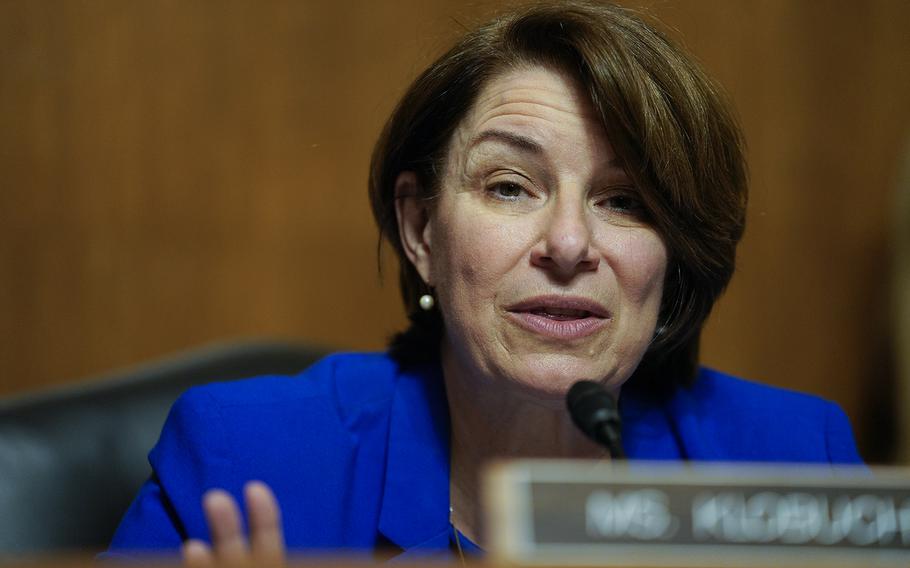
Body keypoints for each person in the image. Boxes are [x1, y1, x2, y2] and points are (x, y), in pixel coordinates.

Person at [105, 1, 863, 564]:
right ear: (421, 228)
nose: (569, 243)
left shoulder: (794, 463)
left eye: (624, 201)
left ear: (675, 257)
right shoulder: (250, 463)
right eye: (509, 186)